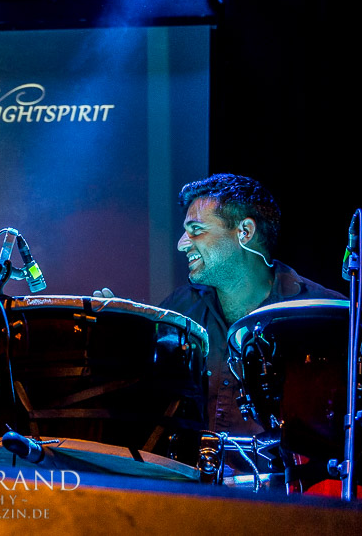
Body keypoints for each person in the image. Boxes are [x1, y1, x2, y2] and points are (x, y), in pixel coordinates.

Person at [96, 173, 344, 483]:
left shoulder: (324, 314)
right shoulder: (180, 308)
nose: (181, 244)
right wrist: (122, 337)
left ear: (244, 232)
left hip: (293, 500)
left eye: (196, 230)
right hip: (194, 496)